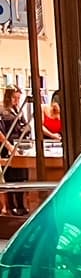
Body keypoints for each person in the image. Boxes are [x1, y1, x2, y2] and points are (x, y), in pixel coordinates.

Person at [0, 86, 28, 218]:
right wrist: (9, 147)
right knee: (11, 177)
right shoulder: (2, 110)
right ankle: (12, 207)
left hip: (20, 146)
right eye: (14, 98)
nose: (17, 101)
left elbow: (24, 125)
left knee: (21, 177)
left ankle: (21, 205)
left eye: (18, 98)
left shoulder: (17, 110)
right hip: (8, 148)